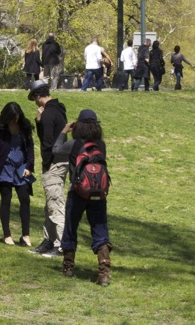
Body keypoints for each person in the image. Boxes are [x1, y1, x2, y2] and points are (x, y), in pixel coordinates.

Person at [53, 109, 112, 286]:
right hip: (98, 194)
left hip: (77, 192)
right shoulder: (101, 145)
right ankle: (104, 272)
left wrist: (64, 131)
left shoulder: (74, 144)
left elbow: (56, 150)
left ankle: (68, 267)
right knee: (100, 229)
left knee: (71, 227)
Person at [28, 79, 68, 257]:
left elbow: (48, 142)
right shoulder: (58, 110)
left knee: (55, 204)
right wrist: (38, 121)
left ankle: (61, 245)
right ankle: (48, 240)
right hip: (60, 161)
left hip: (53, 163)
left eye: (34, 99)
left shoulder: (49, 113)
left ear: (38, 96)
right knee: (50, 204)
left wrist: (46, 163)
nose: (35, 102)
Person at [0, 102, 36, 247]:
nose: (15, 121)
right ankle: (7, 235)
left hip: (20, 167)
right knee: (6, 199)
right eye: (12, 118)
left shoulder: (24, 127)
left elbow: (30, 148)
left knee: (24, 199)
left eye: (17, 117)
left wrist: (29, 166)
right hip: (4, 167)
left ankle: (25, 234)